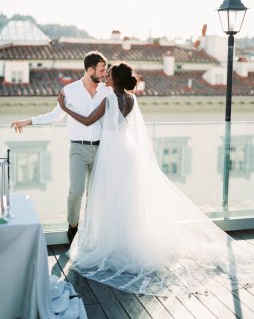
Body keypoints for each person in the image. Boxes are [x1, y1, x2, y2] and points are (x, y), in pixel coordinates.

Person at [58, 61, 254, 297]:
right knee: (128, 200)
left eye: (109, 75)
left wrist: (64, 107)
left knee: (110, 199)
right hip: (128, 153)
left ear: (116, 79)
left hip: (111, 154)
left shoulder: (108, 99)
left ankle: (112, 244)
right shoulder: (131, 100)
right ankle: (127, 243)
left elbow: (88, 120)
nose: (106, 78)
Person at [11, 51, 112, 243]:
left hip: (102, 150)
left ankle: (91, 229)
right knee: (76, 191)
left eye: (105, 71)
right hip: (78, 149)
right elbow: (55, 115)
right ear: (89, 69)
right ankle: (72, 226)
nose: (104, 74)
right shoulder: (70, 90)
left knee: (96, 193)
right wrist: (28, 121)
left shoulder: (106, 91)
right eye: (101, 70)